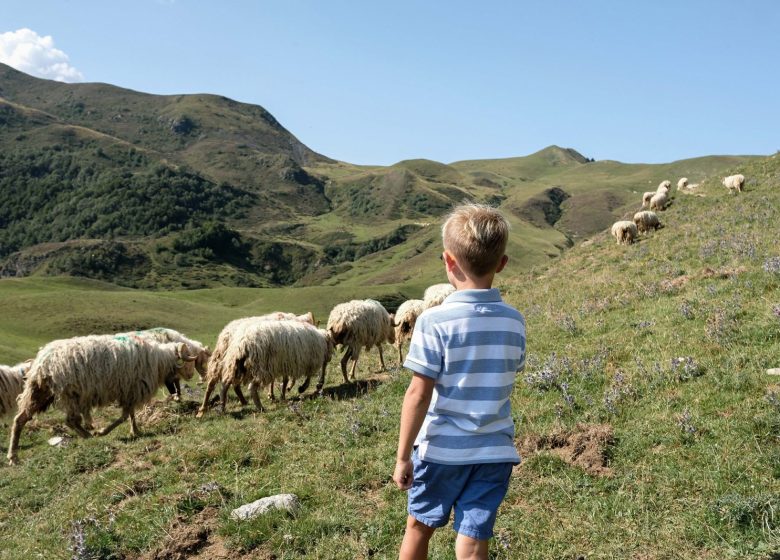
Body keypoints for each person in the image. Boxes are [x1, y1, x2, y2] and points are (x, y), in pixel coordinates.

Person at [392, 203, 526, 560]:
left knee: (419, 527)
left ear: (448, 262)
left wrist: (403, 456)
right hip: (494, 452)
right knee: (473, 541)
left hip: (441, 452)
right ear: (501, 263)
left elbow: (418, 394)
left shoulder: (433, 321)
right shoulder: (515, 322)